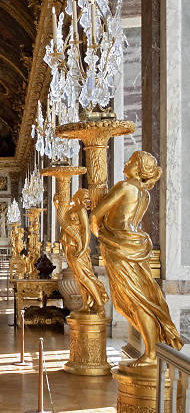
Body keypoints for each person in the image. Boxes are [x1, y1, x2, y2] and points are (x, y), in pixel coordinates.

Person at [90, 151, 183, 366]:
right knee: (139, 300)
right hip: (136, 244)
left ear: (139, 168)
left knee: (134, 301)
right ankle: (151, 352)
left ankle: (150, 355)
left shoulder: (124, 186)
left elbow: (96, 215)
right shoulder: (145, 194)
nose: (126, 163)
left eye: (131, 161)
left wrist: (101, 236)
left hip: (119, 247)